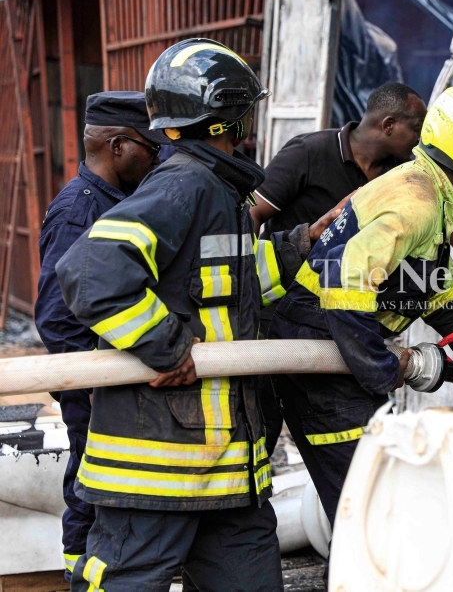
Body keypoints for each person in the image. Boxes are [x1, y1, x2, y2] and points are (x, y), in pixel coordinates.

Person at [56, 38, 323, 592]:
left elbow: (229, 290)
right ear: (228, 119)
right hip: (159, 471)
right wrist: (167, 347)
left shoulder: (217, 192)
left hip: (225, 472)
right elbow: (91, 270)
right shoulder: (188, 185)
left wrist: (300, 244)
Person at [269, 83, 453, 526]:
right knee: (373, 512)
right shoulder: (416, 202)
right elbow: (345, 277)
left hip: (335, 344)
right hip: (319, 349)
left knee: (377, 501)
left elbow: (437, 294)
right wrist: (380, 367)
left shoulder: (424, 194)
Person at [251, 82, 453, 323]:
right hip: (286, 304)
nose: (424, 138)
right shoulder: (310, 151)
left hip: (346, 312)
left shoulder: (403, 170)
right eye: (418, 129)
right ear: (388, 125)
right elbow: (254, 214)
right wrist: (240, 286)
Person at [35, 91, 165, 580]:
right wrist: (91, 384)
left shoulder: (121, 202)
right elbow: (56, 316)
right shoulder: (80, 211)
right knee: (92, 495)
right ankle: (79, 579)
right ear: (117, 145)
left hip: (114, 381)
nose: (155, 159)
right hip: (94, 387)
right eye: (149, 149)